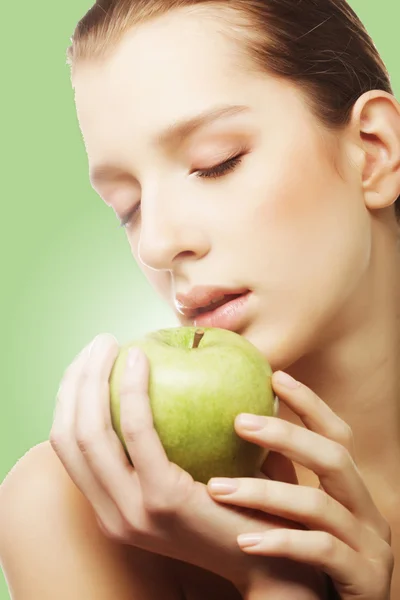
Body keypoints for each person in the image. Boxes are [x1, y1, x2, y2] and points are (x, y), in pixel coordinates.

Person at [1, 0, 399, 598]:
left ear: (371, 150)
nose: (158, 243)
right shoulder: (70, 509)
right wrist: (273, 582)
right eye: (127, 208)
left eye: (216, 163)